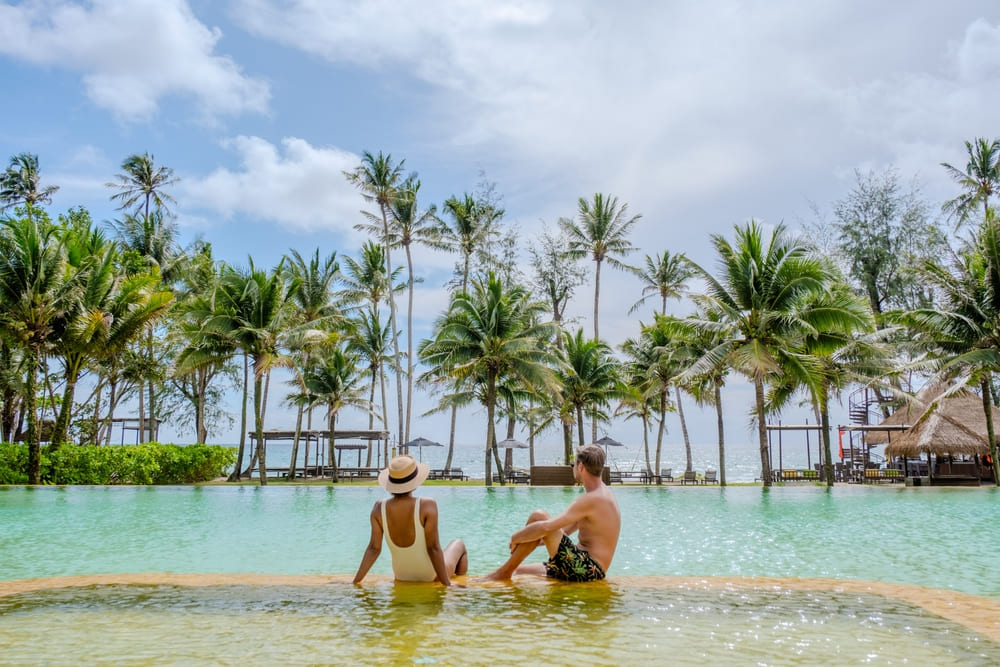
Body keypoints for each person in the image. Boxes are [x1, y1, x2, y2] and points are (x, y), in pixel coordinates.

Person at [484, 444, 620, 582]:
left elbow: (547, 527)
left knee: (539, 516)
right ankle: (505, 572)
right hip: (578, 564)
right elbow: (563, 532)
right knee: (518, 570)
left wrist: (515, 538)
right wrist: (531, 540)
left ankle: (501, 574)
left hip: (587, 570)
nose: (573, 468)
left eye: (573, 464)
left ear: (581, 467)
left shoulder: (592, 499)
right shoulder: (599, 495)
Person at [353, 455, 468, 585]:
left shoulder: (379, 508)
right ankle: (462, 581)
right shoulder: (427, 505)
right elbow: (433, 548)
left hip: (402, 576)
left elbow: (374, 549)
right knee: (459, 544)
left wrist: (356, 581)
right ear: (414, 483)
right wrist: (447, 584)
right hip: (431, 576)